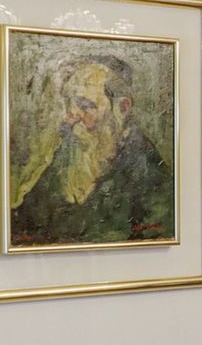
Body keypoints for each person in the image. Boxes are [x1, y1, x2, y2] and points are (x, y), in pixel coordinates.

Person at [10, 55, 174, 247]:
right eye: (69, 103)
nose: (69, 117)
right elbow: (23, 223)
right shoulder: (67, 152)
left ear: (122, 108)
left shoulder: (151, 175)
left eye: (85, 105)